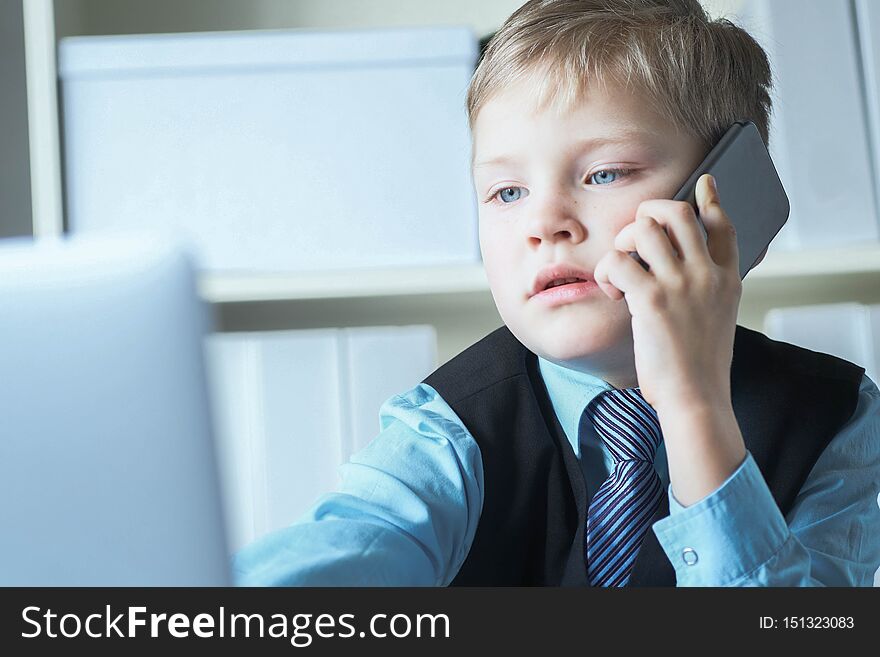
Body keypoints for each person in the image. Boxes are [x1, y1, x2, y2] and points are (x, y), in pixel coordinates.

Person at [232, 0, 880, 586]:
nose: (545, 223)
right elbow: (343, 549)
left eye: (603, 173)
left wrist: (692, 402)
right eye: (507, 192)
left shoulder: (836, 418)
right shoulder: (446, 429)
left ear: (725, 199)